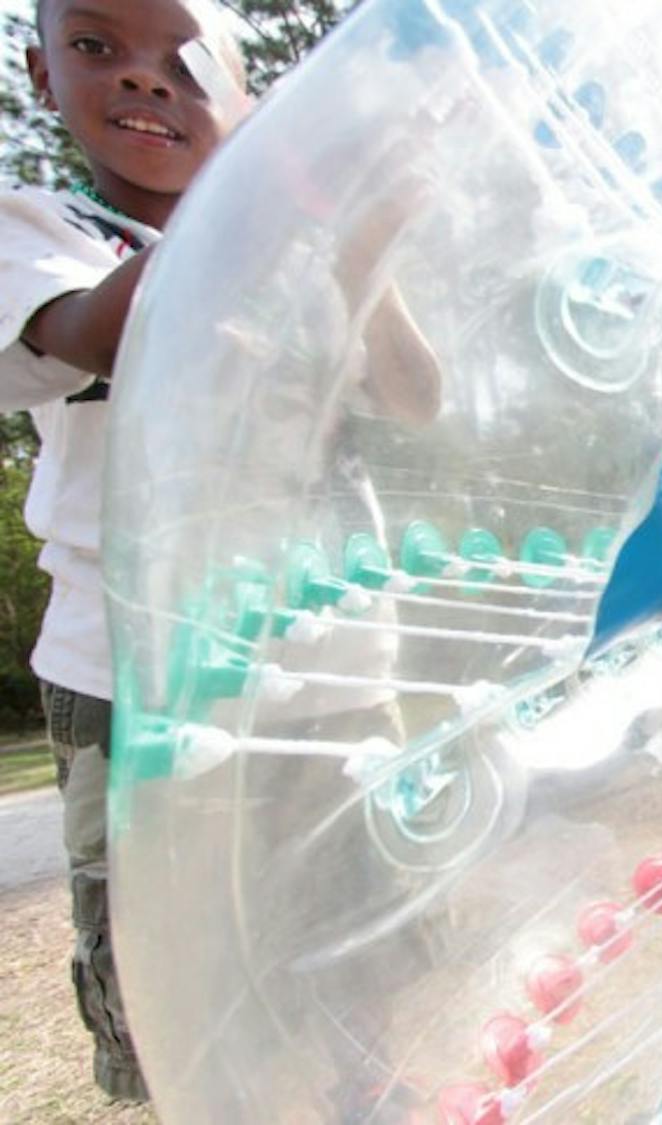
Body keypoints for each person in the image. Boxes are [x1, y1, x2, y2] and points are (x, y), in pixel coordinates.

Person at [0, 0, 254, 1102]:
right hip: (122, 676)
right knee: (161, 968)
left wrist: (348, 219)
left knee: (307, 929)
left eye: (187, 64)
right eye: (98, 46)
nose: (148, 82)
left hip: (289, 664)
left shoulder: (296, 250)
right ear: (39, 72)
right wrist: (265, 189)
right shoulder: (37, 228)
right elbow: (97, 330)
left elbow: (414, 393)